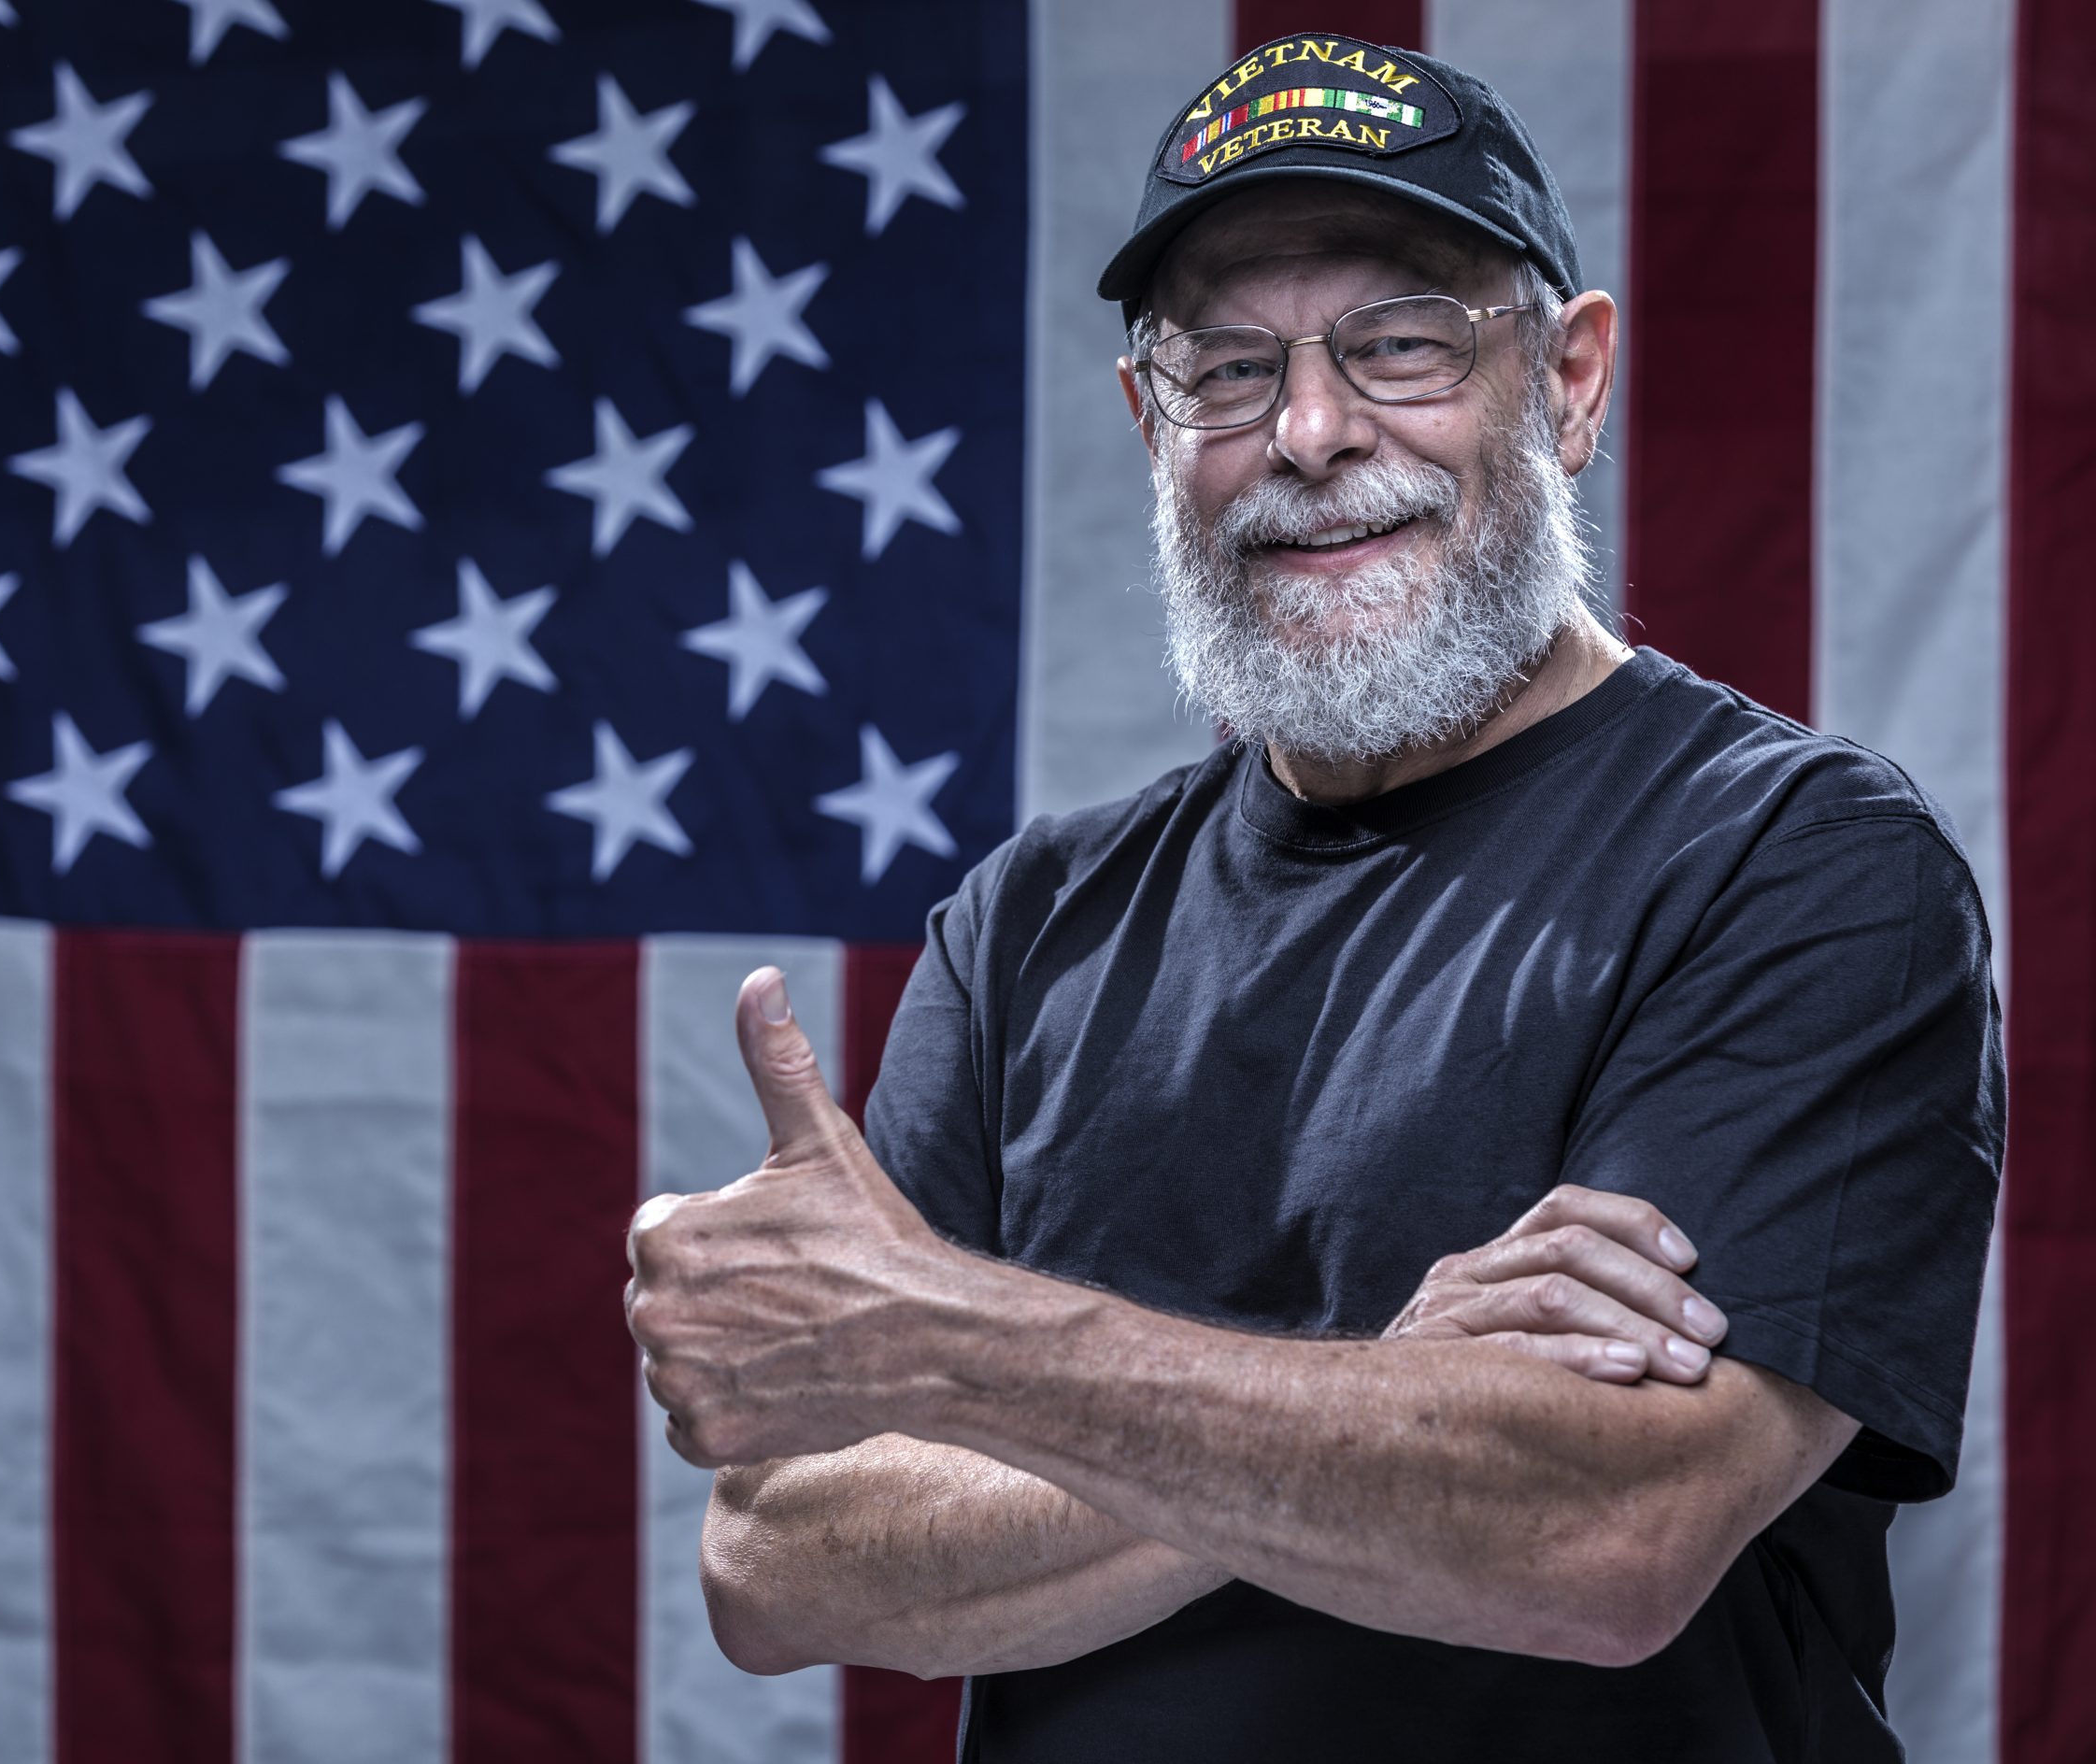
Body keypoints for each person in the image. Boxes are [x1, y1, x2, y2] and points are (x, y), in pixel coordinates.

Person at [622, 31, 2003, 1763]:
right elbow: (782, 1562)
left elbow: (1598, 1539)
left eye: (1404, 343)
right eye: (1228, 368)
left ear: (1572, 382)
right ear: (1151, 419)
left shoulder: (1795, 865)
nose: (1314, 432)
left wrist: (954, 1353)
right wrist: (1390, 1377)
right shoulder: (1033, 924)